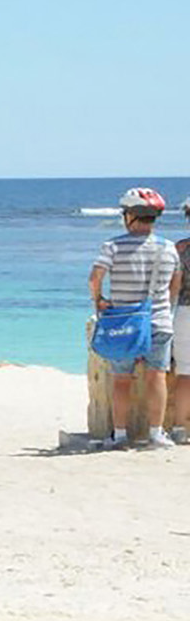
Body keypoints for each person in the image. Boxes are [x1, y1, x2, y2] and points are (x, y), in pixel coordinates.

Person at [88, 187, 180, 449]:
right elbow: (175, 283)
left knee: (121, 380)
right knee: (157, 377)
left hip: (124, 323)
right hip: (159, 320)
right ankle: (155, 434)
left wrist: (100, 302)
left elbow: (94, 279)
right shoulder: (169, 248)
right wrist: (165, 307)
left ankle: (119, 434)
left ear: (130, 216)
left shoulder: (113, 246)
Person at [175, 198, 190, 438]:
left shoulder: (180, 248)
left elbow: (172, 286)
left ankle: (180, 428)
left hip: (186, 310)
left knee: (185, 372)